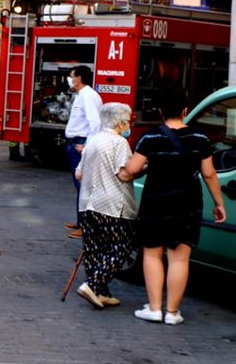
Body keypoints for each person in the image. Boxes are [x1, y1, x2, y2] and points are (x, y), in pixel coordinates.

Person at [119, 86, 227, 326]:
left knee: (152, 253)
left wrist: (121, 173)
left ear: (160, 111)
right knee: (179, 259)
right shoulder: (200, 139)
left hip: (156, 202)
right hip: (188, 203)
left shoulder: (150, 137)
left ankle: (155, 309)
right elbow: (209, 174)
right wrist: (219, 204)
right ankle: (173, 312)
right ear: (185, 110)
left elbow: (133, 169)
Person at [73, 102, 137, 309]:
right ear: (120, 123)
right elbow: (124, 174)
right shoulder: (119, 143)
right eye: (128, 123)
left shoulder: (92, 141)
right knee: (122, 245)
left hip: (87, 203)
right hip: (111, 204)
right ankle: (93, 285)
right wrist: (144, 166)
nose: (128, 128)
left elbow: (79, 174)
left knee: (93, 249)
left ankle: (101, 293)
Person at [64, 65, 103, 237]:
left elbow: (94, 123)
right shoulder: (81, 95)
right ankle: (81, 222)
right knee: (79, 185)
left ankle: (86, 226)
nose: (69, 79)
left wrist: (87, 146)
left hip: (80, 145)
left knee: (83, 186)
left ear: (79, 78)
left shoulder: (88, 96)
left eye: (71, 76)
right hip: (76, 143)